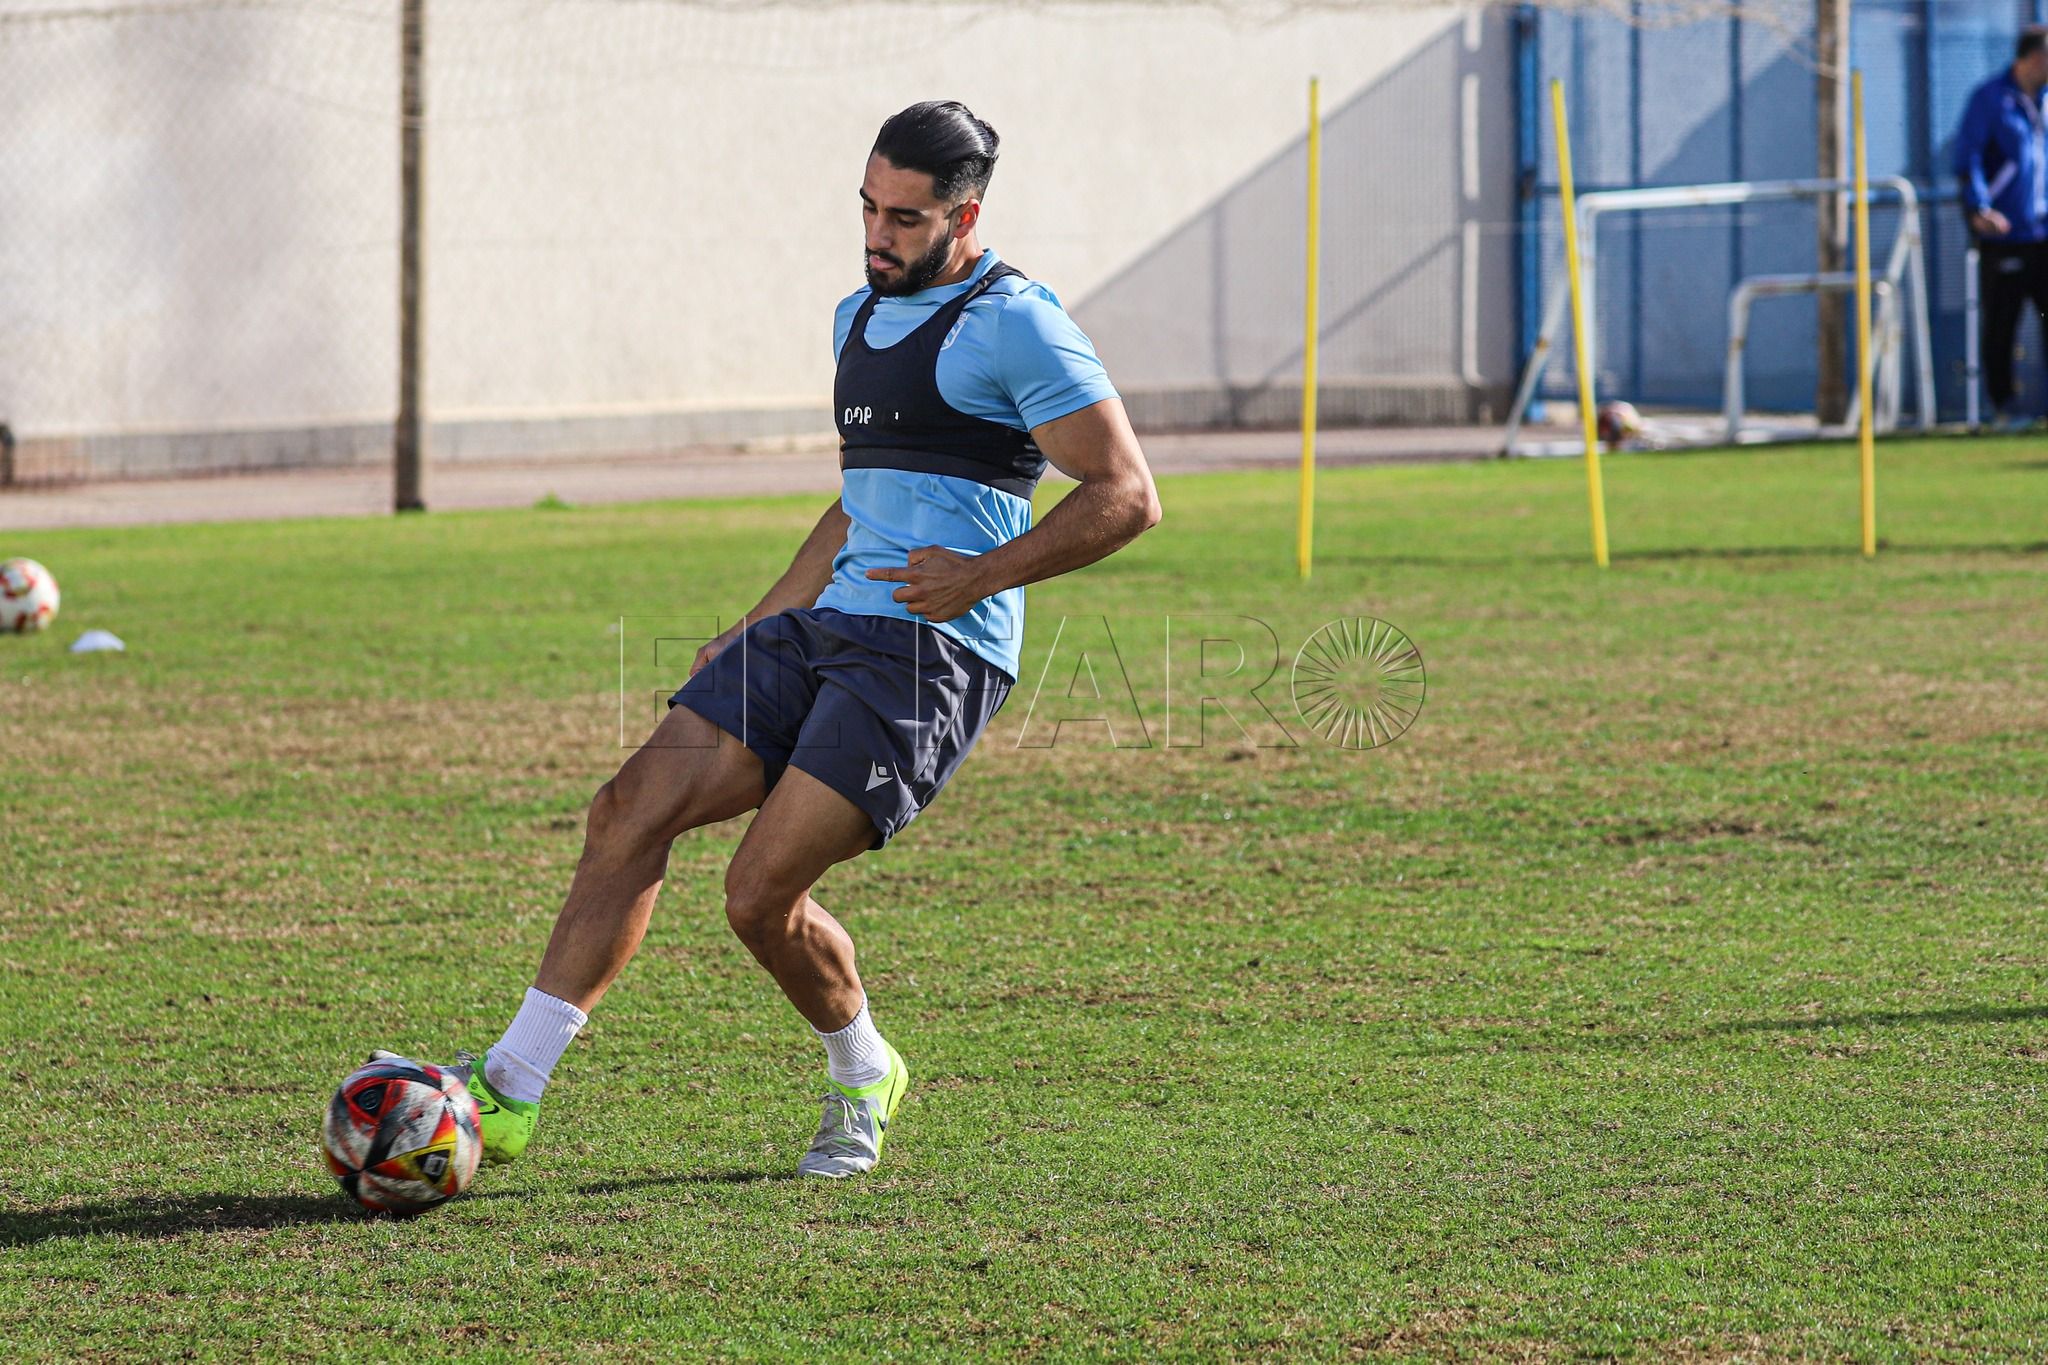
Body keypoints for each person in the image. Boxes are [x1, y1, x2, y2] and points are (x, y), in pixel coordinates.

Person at [382, 101, 1161, 1179]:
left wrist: (981, 574)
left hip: (931, 656)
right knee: (625, 811)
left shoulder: (1016, 323)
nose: (877, 235)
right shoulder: (856, 316)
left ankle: (863, 1070)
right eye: (867, 208)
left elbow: (1127, 493)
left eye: (904, 218)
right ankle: (510, 1087)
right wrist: (753, 624)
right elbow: (857, 505)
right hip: (822, 626)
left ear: (965, 216)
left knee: (755, 896)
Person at [1954, 26, 2048, 431]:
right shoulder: (1991, 98)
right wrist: (1979, 207)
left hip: (2044, 232)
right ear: (2033, 58)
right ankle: (2004, 408)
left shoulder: (2045, 101)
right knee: (2002, 323)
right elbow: (1968, 156)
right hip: (2006, 235)